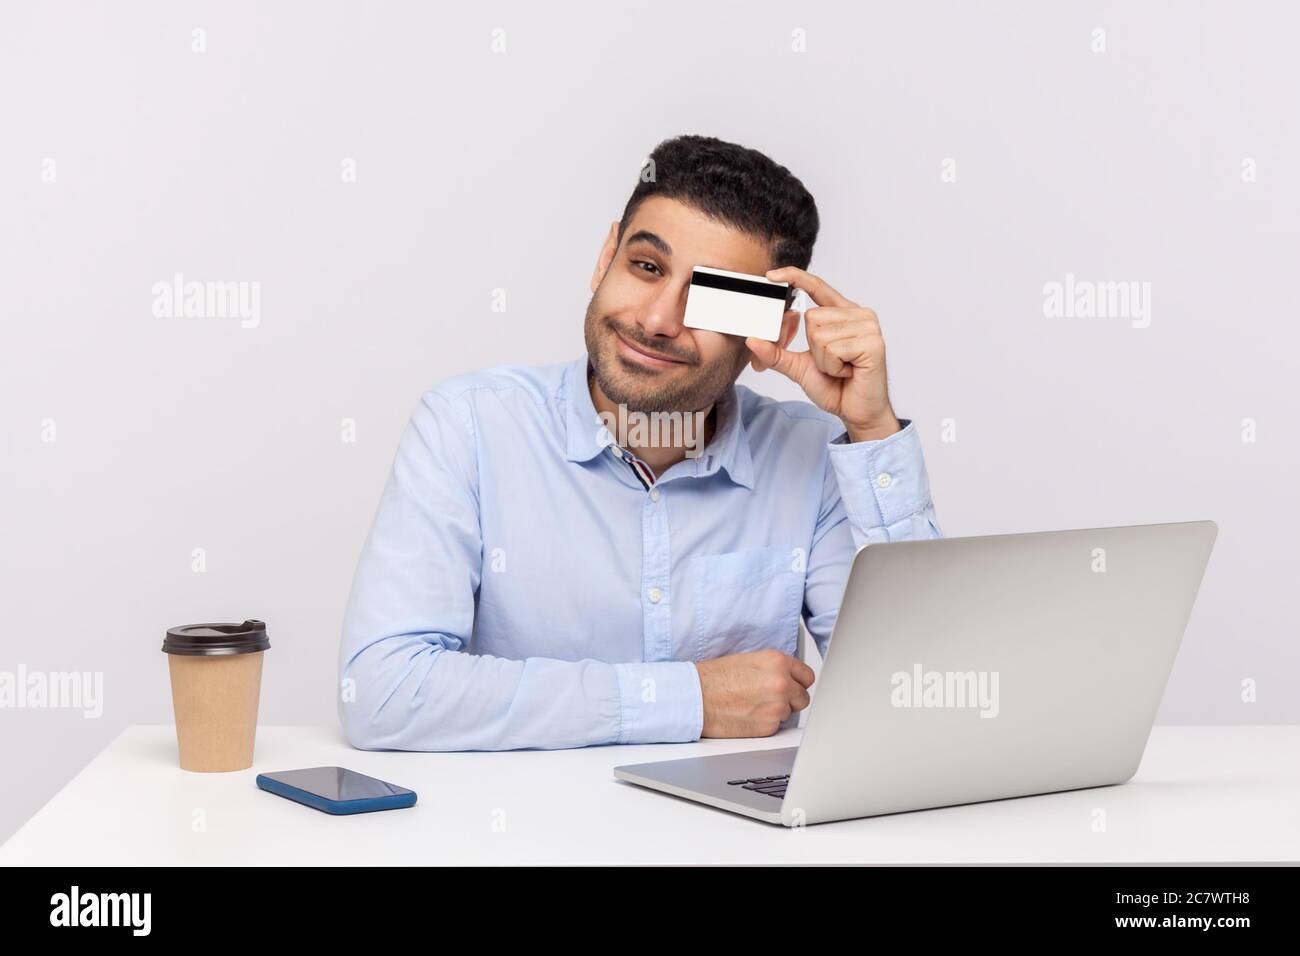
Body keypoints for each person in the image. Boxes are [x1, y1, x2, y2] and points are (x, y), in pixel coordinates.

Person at [338, 134, 942, 751]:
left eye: (712, 297)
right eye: (647, 267)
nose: (657, 320)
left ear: (772, 327)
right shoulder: (468, 428)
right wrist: (690, 698)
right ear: (606, 258)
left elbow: (922, 701)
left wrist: (872, 432)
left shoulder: (813, 457)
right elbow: (383, 693)